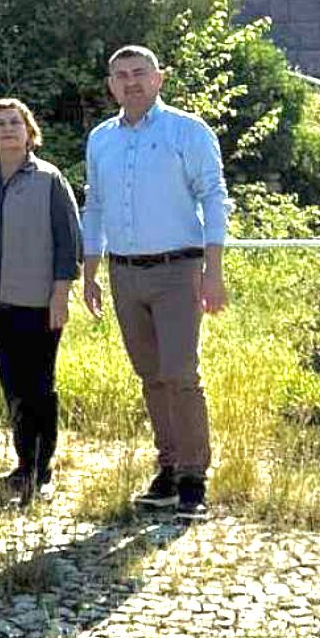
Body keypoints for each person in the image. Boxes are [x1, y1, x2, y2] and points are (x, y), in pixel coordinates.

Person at [81, 46, 230, 519]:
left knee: (182, 375)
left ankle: (192, 478)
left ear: (159, 78)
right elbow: (96, 207)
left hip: (178, 269)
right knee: (150, 376)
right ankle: (166, 470)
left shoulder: (187, 131)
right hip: (124, 272)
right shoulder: (101, 139)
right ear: (110, 86)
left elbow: (214, 197)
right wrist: (90, 271)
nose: (131, 82)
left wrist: (213, 271)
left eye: (140, 73)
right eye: (121, 76)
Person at [0, 98, 81, 504]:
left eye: (15, 122)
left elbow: (68, 243)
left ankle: (41, 470)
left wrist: (60, 294)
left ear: (29, 131)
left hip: (39, 300)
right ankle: (23, 463)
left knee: (39, 386)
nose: (8, 129)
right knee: (12, 385)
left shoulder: (49, 179)